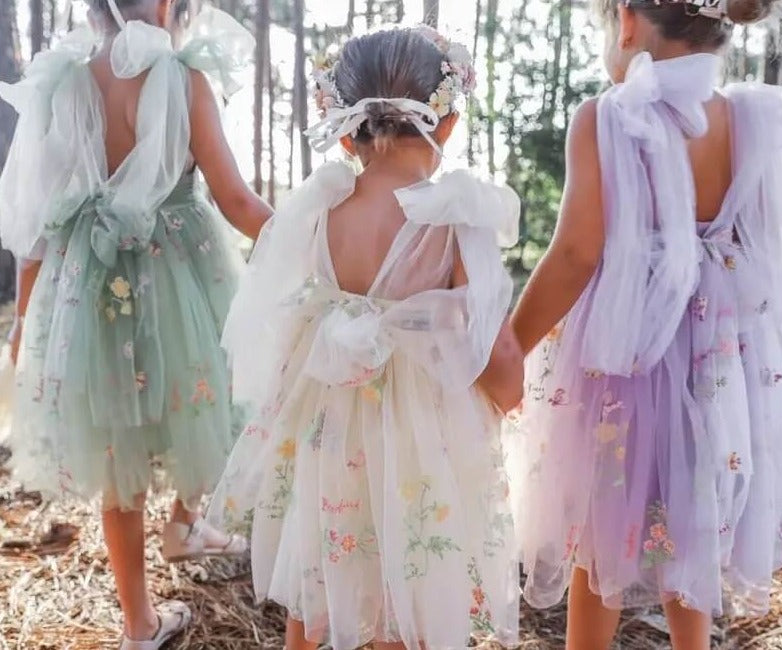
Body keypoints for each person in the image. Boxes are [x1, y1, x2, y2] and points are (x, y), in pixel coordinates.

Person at [206, 26, 524, 650]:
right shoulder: (455, 215)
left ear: (344, 124)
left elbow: (285, 313)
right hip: (423, 434)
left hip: (329, 427)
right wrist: (511, 399)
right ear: (449, 122)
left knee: (321, 563)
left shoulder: (322, 206)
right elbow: (494, 346)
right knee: (412, 569)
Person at [509, 0, 782, 648]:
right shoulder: (749, 119)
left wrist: (509, 345)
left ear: (625, 20)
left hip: (626, 361)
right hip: (719, 361)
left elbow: (573, 253)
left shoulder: (607, 117)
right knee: (692, 505)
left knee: (604, 519)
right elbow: (764, 246)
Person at [0, 0, 272, 647]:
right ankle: (184, 519)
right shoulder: (184, 78)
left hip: (84, 283)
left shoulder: (64, 82)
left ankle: (138, 621)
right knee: (210, 394)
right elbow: (235, 199)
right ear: (168, 5)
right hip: (182, 272)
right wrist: (312, 241)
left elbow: (39, 220)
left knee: (118, 444)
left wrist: (25, 317)